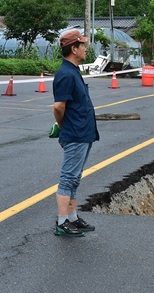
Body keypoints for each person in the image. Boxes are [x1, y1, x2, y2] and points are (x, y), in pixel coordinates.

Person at [52, 30, 100, 236]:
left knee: (75, 178)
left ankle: (72, 217)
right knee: (68, 177)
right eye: (83, 45)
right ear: (73, 49)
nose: (85, 49)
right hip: (75, 133)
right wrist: (63, 126)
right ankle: (62, 222)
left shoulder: (73, 71)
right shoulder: (65, 74)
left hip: (84, 133)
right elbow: (58, 107)